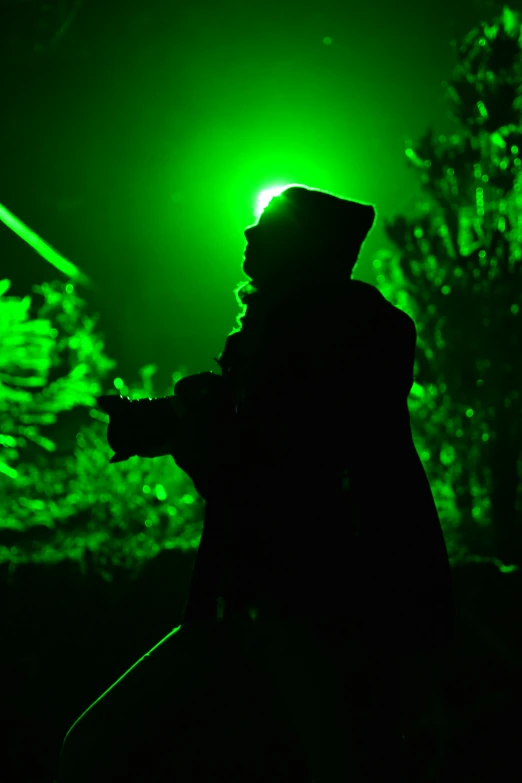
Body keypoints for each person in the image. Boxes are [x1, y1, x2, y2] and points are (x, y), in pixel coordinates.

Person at [56, 185, 454, 782]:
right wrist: (174, 420)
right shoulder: (308, 334)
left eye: (266, 226)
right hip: (263, 605)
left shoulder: (335, 335)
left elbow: (278, 462)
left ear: (307, 247)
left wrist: (186, 428)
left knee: (100, 753)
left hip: (306, 606)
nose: (248, 236)